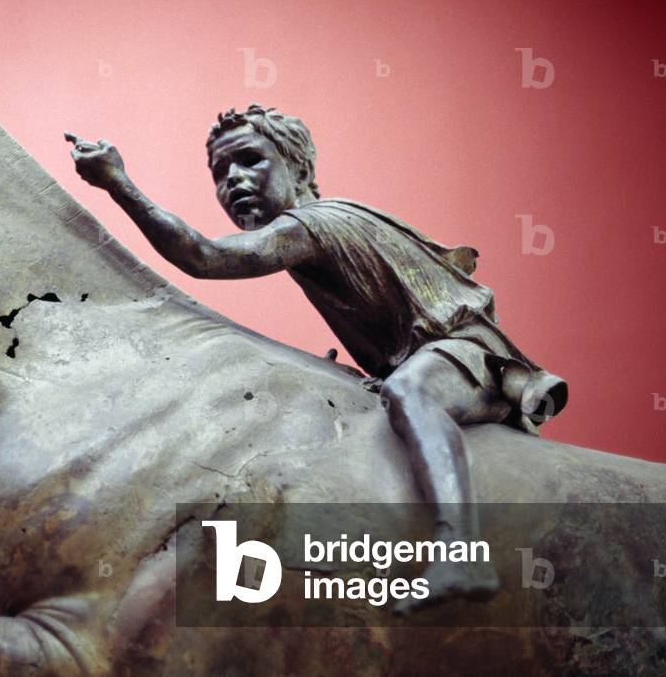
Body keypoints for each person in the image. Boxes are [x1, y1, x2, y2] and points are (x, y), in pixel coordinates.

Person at [64, 104, 567, 613]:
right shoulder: (323, 228)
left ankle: (460, 551)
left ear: (299, 168)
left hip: (471, 353)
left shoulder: (312, 226)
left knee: (409, 391)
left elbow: (205, 256)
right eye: (220, 172)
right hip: (438, 351)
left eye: (249, 159)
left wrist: (118, 184)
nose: (233, 179)